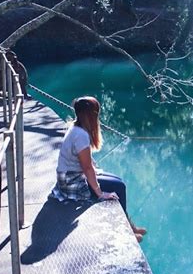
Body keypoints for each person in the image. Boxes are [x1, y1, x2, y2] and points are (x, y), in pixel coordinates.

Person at [50, 96, 146, 242]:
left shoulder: (76, 127)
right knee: (118, 186)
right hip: (72, 181)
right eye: (96, 113)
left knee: (117, 181)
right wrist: (101, 193)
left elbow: (86, 162)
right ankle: (126, 232)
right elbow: (87, 168)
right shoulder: (80, 135)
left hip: (71, 175)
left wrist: (95, 171)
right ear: (90, 115)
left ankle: (129, 226)